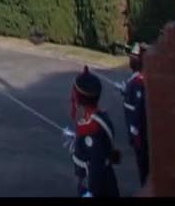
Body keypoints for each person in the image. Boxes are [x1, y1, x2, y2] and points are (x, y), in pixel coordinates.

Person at [64, 67, 121, 198]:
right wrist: (78, 138)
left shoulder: (91, 128)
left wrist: (91, 193)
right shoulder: (97, 118)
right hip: (104, 179)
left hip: (96, 186)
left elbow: (95, 166)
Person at [115, 43, 149, 186]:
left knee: (144, 168)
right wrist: (125, 91)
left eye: (134, 58)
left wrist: (135, 132)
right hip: (138, 135)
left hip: (140, 135)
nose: (131, 60)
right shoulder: (134, 81)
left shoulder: (138, 82)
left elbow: (139, 109)